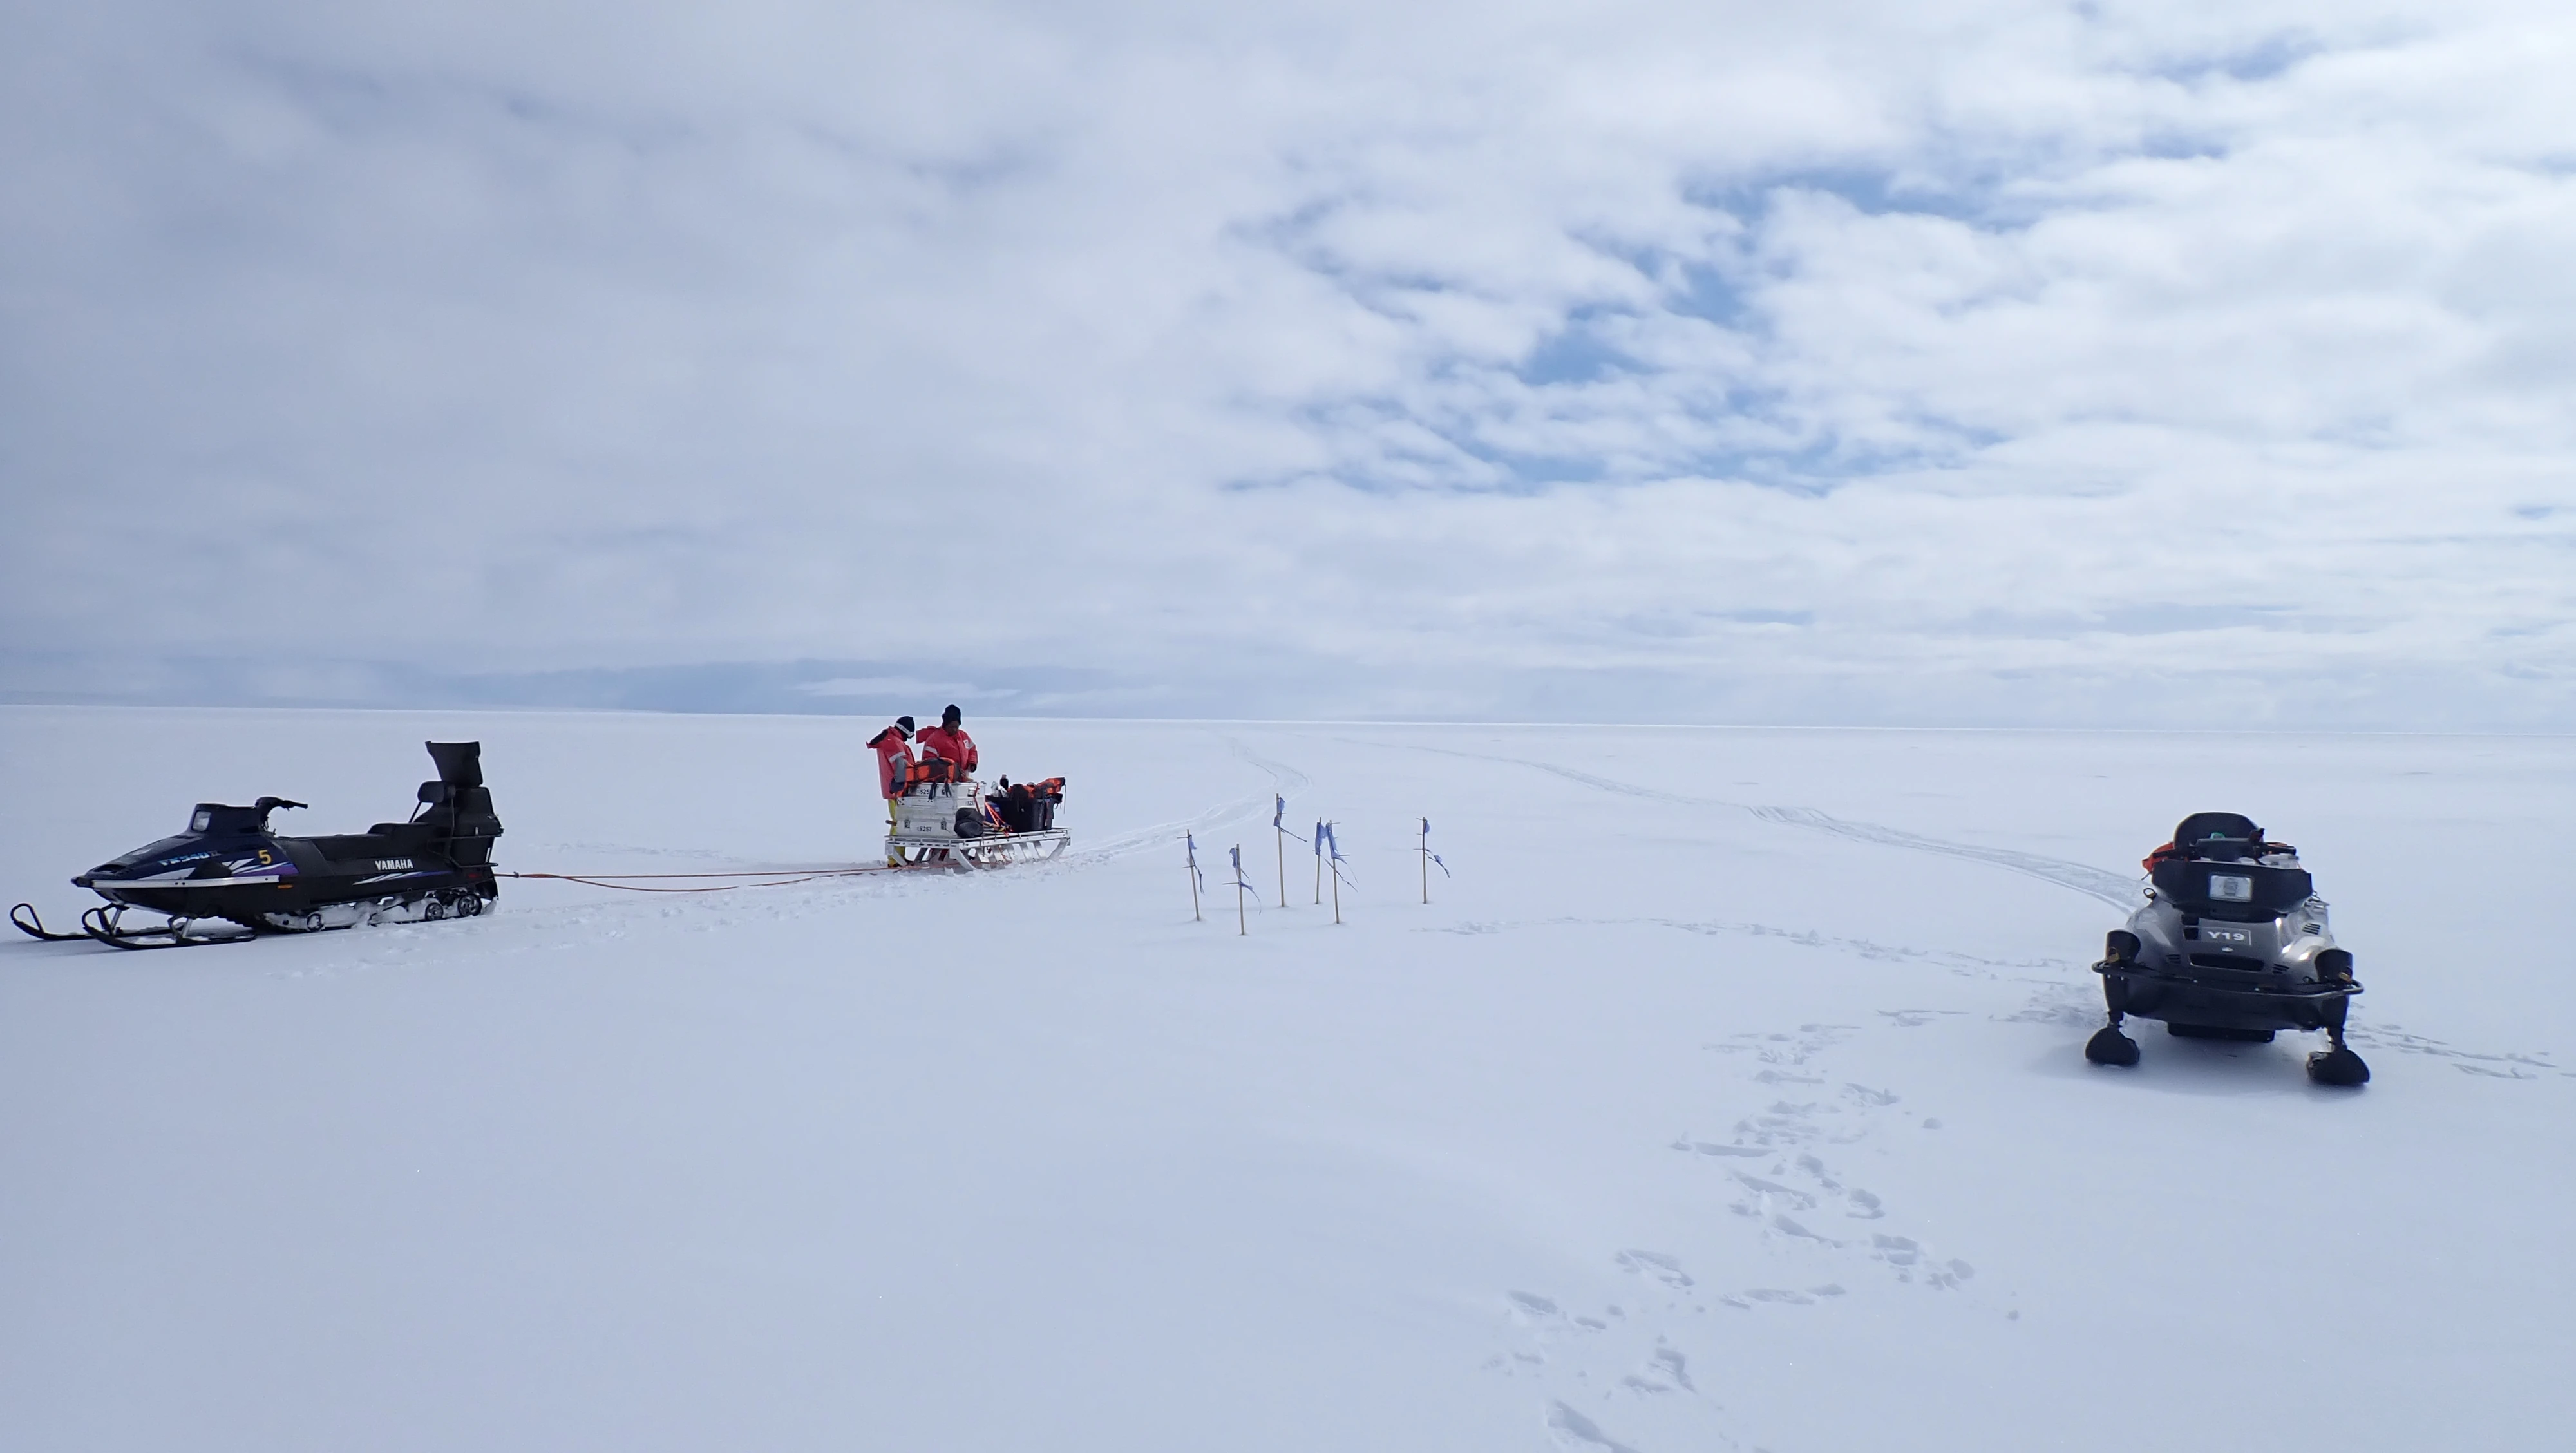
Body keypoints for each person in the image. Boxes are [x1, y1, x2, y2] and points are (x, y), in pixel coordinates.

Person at [867, 716, 916, 866]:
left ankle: (898, 856)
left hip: (897, 790)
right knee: (899, 824)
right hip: (898, 791)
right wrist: (901, 783)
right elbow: (900, 765)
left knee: (899, 823)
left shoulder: (892, 739)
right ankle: (895, 859)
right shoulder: (893, 742)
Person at [917, 704, 979, 775]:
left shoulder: (964, 736)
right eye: (951, 727)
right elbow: (929, 763)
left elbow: (972, 751)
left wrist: (972, 763)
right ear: (945, 724)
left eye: (956, 727)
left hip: (963, 781)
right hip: (944, 783)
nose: (954, 730)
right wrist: (949, 772)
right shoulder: (934, 740)